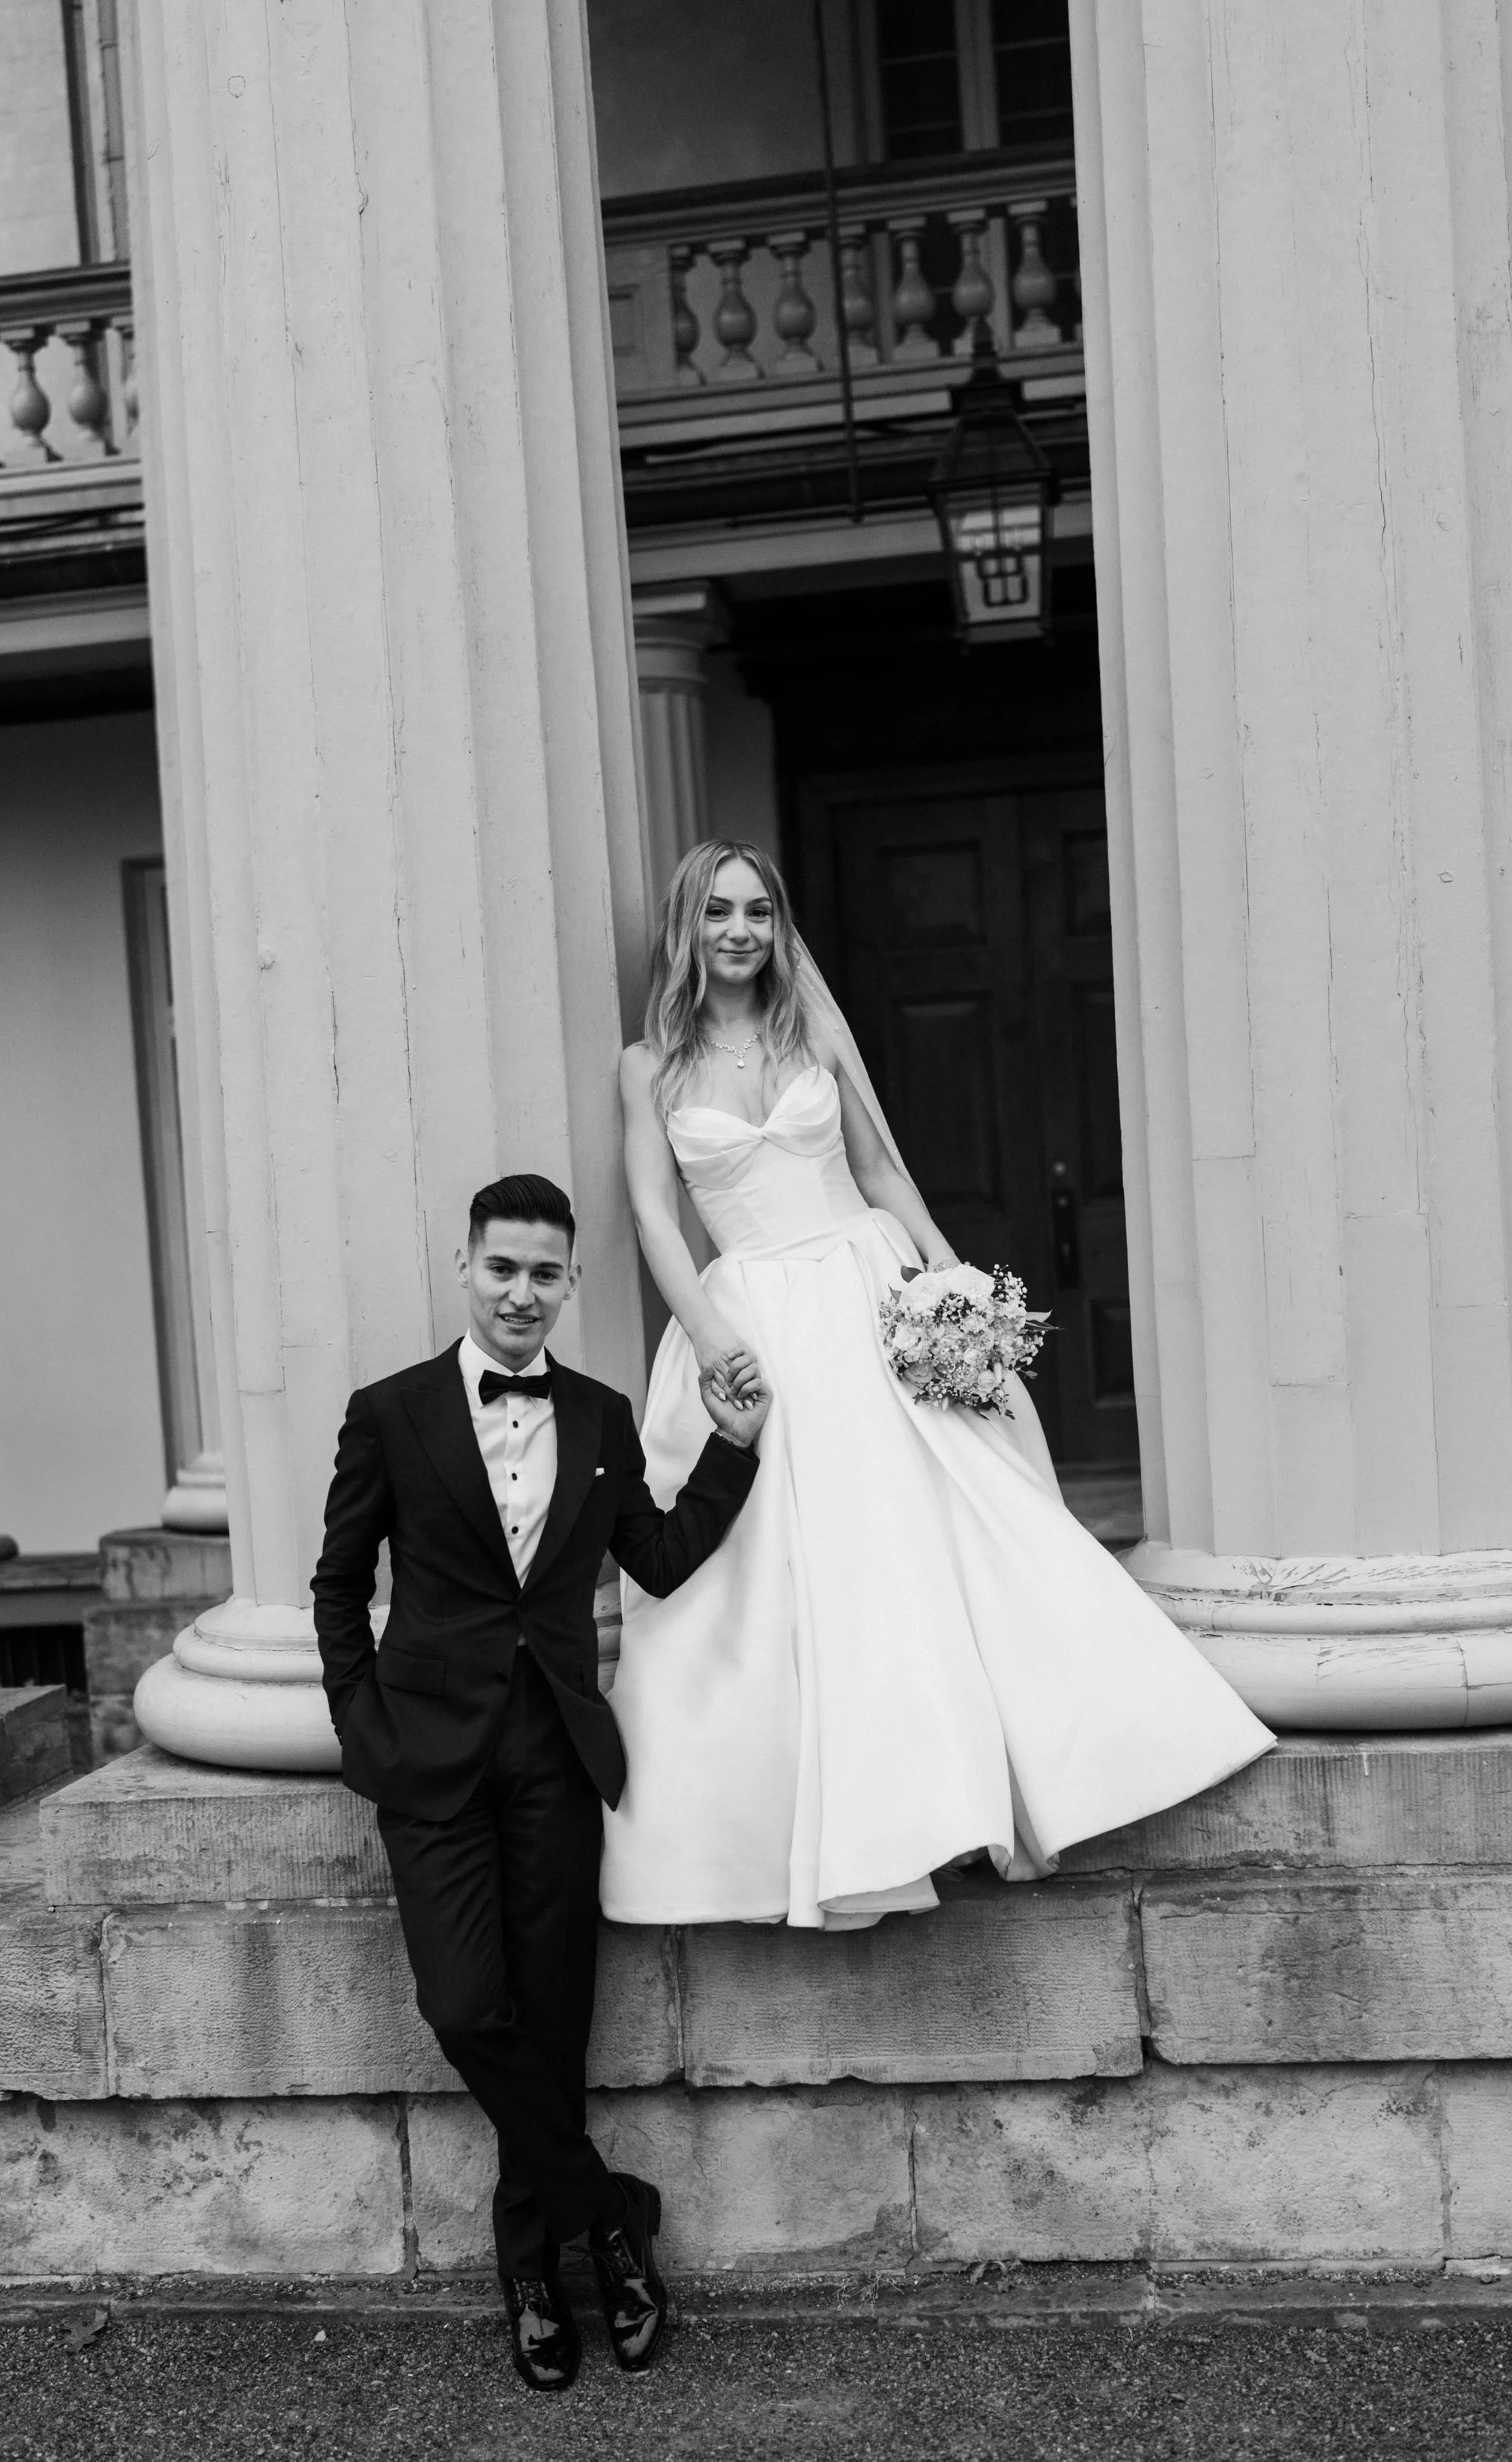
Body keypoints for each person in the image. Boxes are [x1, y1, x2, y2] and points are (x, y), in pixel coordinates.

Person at [607, 840, 1274, 1932]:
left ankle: (1014, 1782)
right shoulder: (649, 1067)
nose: (741, 931)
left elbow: (880, 1169)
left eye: (761, 912)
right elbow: (649, 1213)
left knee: (946, 1533)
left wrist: (948, 1283)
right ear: (688, 924)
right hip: (753, 1321)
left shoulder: (811, 1029)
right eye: (721, 911)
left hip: (865, 1291)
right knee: (800, 1571)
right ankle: (860, 1825)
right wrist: (709, 1330)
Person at [310, 1173, 767, 2393]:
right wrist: (361, 1725)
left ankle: (536, 2274)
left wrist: (733, 1448)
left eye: (546, 1273)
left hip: (557, 1757)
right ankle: (615, 2215)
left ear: (569, 1283)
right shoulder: (391, 1413)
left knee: (550, 2026)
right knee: (467, 2009)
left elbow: (660, 1558)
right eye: (502, 1267)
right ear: (465, 1266)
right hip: (429, 1761)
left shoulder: (607, 1417)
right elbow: (337, 1583)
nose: (523, 1292)